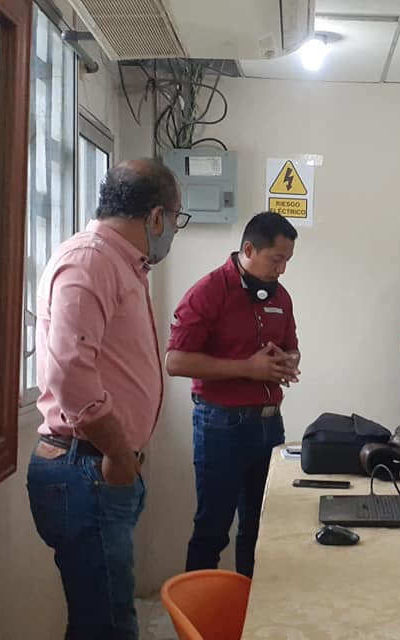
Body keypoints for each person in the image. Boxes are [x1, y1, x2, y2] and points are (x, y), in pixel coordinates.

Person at [26, 159, 185, 640]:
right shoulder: (91, 261)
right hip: (87, 466)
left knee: (98, 618)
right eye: (176, 219)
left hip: (101, 465)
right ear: (156, 217)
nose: (172, 231)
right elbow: (69, 372)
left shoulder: (122, 265)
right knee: (109, 626)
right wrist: (118, 451)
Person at [166, 211, 300, 577]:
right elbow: (175, 361)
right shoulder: (208, 292)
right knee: (212, 528)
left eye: (287, 261)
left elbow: (291, 347)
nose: (282, 269)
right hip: (221, 426)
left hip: (269, 425)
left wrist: (288, 362)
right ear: (249, 250)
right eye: (276, 259)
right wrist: (247, 368)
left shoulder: (281, 296)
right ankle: (197, 610)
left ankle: (249, 606)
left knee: (260, 527)